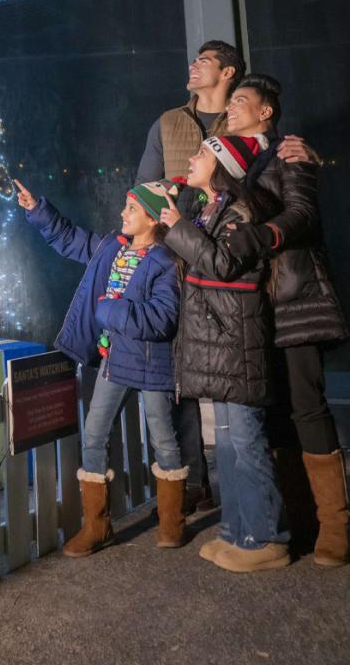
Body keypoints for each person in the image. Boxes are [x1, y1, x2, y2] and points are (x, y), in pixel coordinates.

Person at [136, 39, 313, 514]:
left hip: (229, 256)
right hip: (180, 251)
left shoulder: (241, 125)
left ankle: (268, 505)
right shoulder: (169, 123)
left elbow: (276, 188)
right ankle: (194, 480)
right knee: (187, 366)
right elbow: (147, 185)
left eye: (205, 61)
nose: (193, 66)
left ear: (230, 73)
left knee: (245, 377)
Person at [14, 175, 187, 556]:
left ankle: (172, 522)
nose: (122, 213)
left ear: (154, 219)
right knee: (93, 435)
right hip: (116, 360)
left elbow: (162, 318)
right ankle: (97, 525)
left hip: (153, 364)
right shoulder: (114, 248)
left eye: (131, 209)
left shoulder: (166, 260)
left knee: (163, 440)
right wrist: (38, 211)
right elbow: (73, 239)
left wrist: (110, 310)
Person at [224, 73, 349, 566]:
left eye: (241, 101)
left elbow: (302, 215)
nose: (231, 108)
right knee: (272, 408)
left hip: (297, 298)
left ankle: (337, 525)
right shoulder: (238, 168)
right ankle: (299, 519)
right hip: (258, 306)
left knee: (307, 405)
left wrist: (263, 237)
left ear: (266, 112)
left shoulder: (287, 154)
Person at [161, 134, 291, 573]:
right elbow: (193, 259)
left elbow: (220, 264)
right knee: (230, 444)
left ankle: (266, 537)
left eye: (201, 153)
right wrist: (175, 221)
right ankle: (237, 531)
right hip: (217, 342)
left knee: (246, 441)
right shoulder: (208, 210)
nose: (192, 158)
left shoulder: (241, 211)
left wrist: (178, 223)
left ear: (221, 167)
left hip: (235, 341)